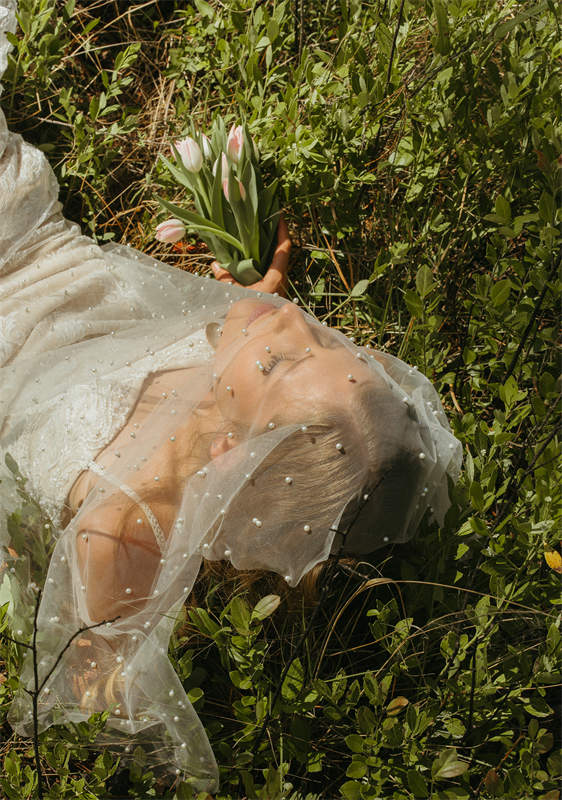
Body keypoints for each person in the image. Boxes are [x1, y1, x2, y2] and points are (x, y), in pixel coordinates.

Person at [0, 1, 461, 791]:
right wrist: (256, 311)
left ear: (229, 457)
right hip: (37, 246)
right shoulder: (226, 376)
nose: (292, 323)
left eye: (279, 363)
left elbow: (91, 687)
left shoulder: (120, 536)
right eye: (325, 341)